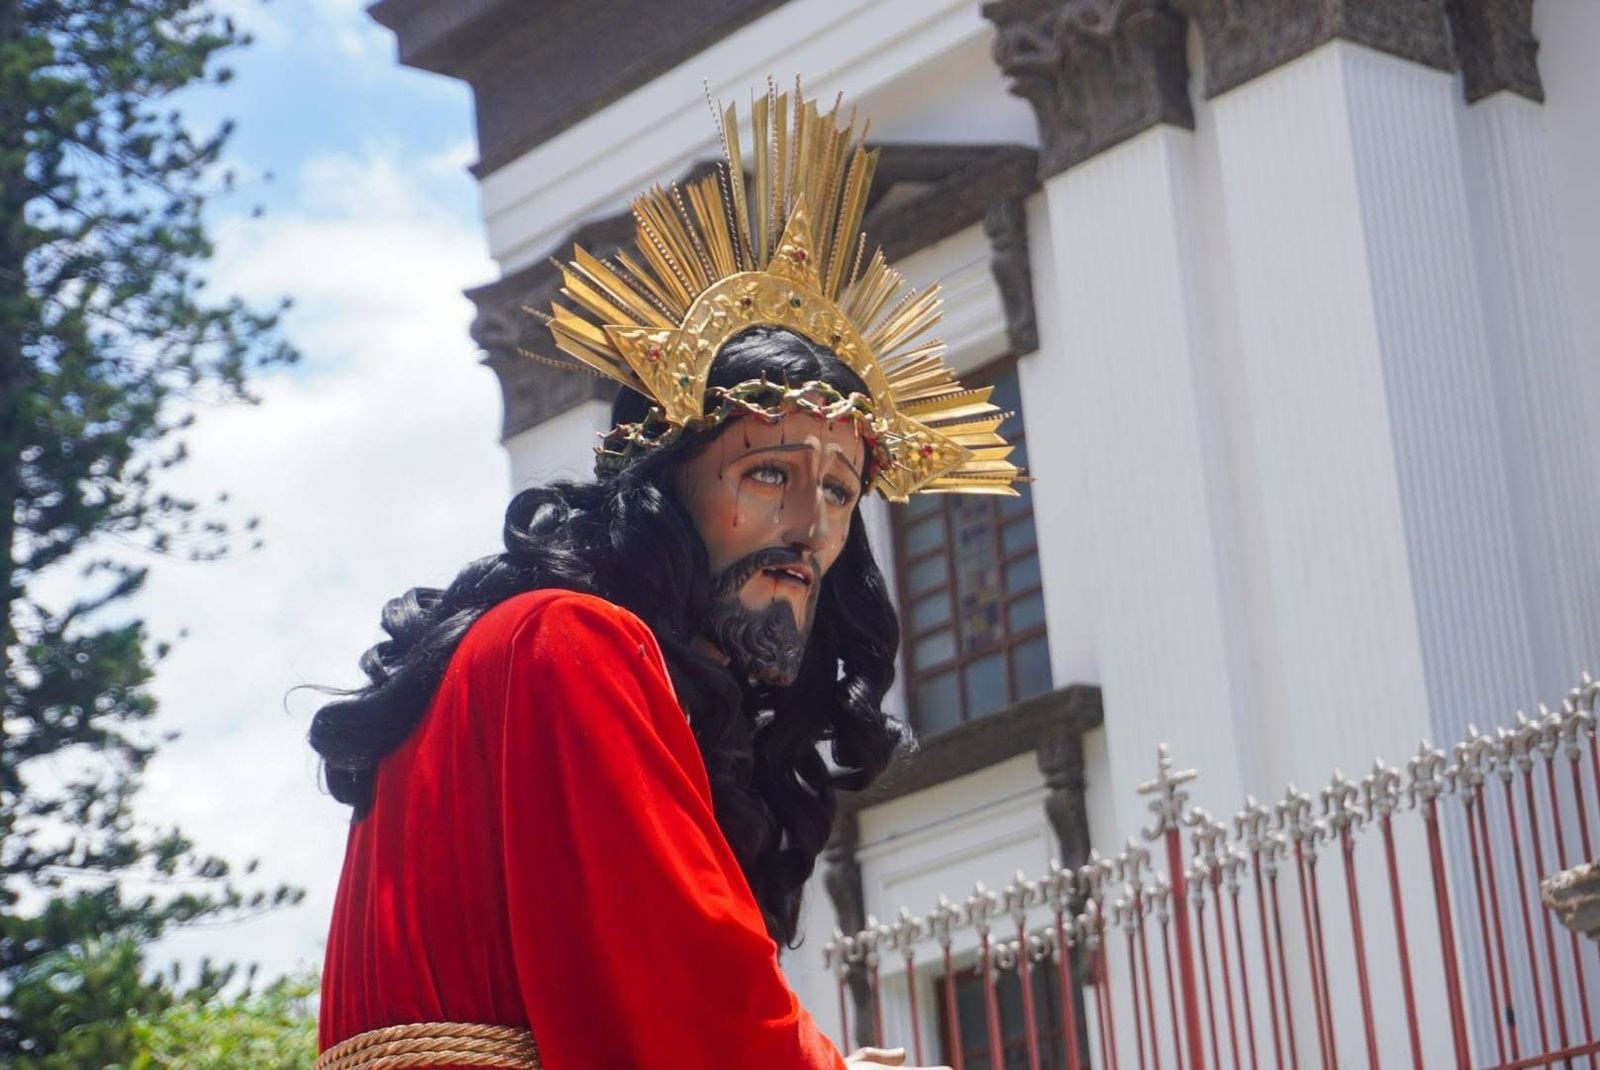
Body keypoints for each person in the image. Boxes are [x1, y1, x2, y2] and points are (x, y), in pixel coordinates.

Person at [309, 85, 1021, 1070]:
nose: (808, 524)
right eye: (766, 472)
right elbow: (675, 1000)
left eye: (839, 488)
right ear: (661, 492)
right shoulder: (569, 639)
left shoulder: (506, 653)